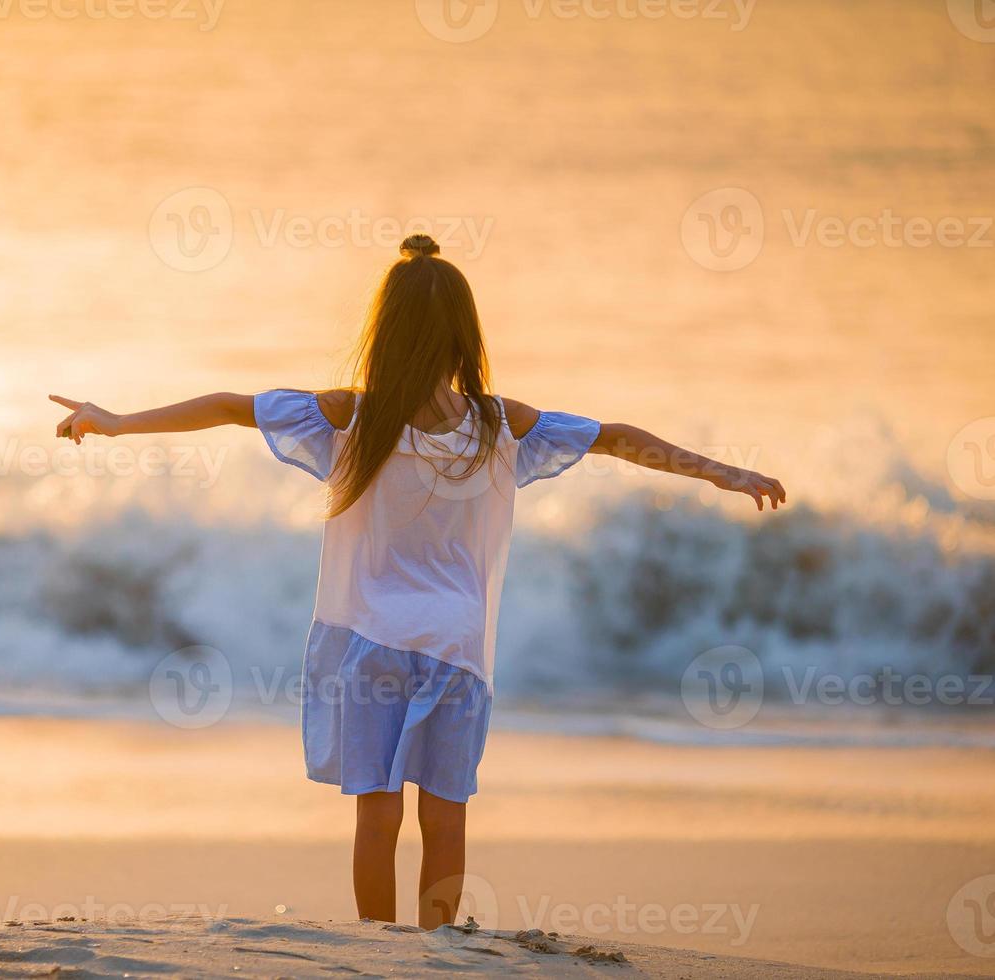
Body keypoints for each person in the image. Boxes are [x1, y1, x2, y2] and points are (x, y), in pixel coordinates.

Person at [48, 233, 786, 930]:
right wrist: (721, 472)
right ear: (465, 335)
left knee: (376, 815)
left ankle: (379, 951)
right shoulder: (499, 424)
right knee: (447, 815)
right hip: (456, 645)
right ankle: (437, 954)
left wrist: (114, 422)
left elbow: (228, 407)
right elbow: (619, 438)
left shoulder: (352, 417)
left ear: (386, 330)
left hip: (369, 640)